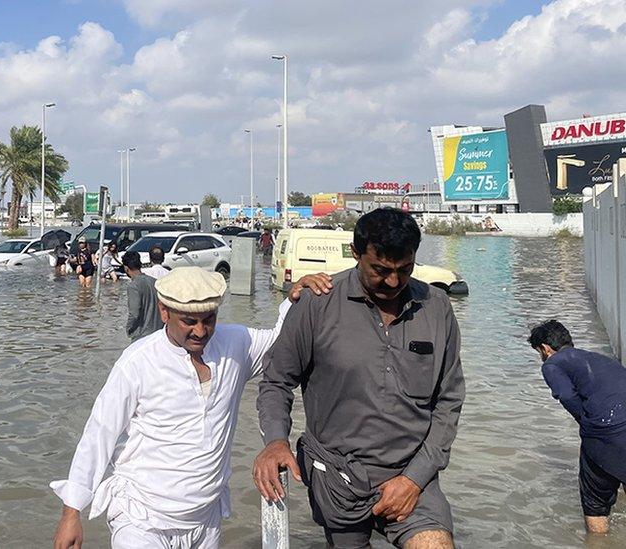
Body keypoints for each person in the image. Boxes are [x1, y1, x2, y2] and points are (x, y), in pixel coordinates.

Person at [51, 267, 332, 549]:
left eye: (208, 320)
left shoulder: (235, 343)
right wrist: (71, 513)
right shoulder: (137, 363)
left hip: (205, 519)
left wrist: (296, 298)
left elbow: (280, 343)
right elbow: (99, 434)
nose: (200, 331)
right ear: (164, 312)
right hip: (142, 518)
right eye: (189, 321)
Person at [255, 208, 465, 549]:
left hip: (413, 474)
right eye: (380, 270)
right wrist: (276, 441)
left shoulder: (436, 306)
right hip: (337, 477)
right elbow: (276, 381)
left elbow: (449, 400)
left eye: (404, 270)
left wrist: (413, 480)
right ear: (355, 252)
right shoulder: (316, 303)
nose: (393, 282)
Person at [529, 320, 626, 535]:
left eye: (539, 352)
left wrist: (587, 423)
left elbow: (566, 395)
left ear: (545, 349)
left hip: (605, 432)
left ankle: (599, 542)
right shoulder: (599, 358)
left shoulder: (552, 364)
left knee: (595, 503)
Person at [122, 251, 163, 341]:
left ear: (126, 268)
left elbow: (134, 313)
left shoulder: (133, 286)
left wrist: (128, 329)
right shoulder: (155, 282)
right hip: (159, 333)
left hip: (142, 336)